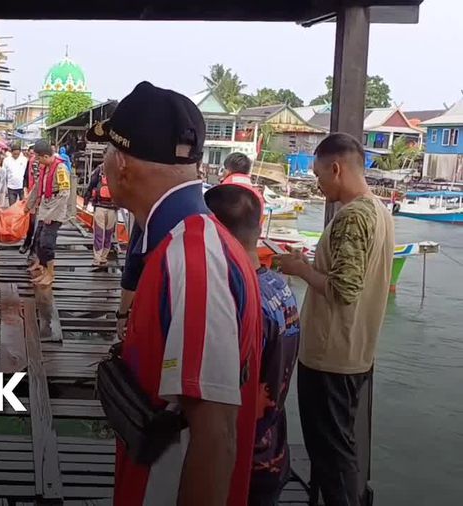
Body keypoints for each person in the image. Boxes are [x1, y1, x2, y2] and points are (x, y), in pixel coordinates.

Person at [88, 82, 262, 506]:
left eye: (107, 152)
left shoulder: (192, 257)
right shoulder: (182, 243)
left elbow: (215, 436)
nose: (104, 164)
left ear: (122, 163)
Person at [276, 133, 395, 506]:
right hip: (356, 352)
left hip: (331, 357)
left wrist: (299, 269)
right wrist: (312, 265)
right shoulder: (379, 211)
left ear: (337, 168)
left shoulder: (352, 217)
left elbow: (344, 289)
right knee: (340, 448)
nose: (318, 183)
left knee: (331, 457)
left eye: (318, 175)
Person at [206, 184, 301, 506]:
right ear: (258, 228)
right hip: (273, 450)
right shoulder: (279, 286)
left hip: (242, 459)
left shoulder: (237, 300)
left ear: (214, 232)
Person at [25, 140, 70, 286]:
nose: (37, 161)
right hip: (45, 206)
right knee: (39, 239)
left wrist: (51, 214)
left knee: (47, 243)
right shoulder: (46, 168)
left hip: (55, 209)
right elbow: (38, 187)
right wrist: (28, 205)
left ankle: (50, 274)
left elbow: (64, 194)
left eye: (38, 158)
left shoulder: (60, 168)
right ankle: (43, 270)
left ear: (45, 156)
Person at [83, 162, 118, 269]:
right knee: (101, 233)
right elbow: (91, 185)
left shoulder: (117, 170)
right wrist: (86, 201)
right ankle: (98, 258)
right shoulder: (100, 170)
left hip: (109, 207)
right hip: (102, 206)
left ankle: (102, 258)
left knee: (106, 233)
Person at [221, 151, 266, 216]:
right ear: (247, 171)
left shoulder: (221, 192)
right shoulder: (258, 196)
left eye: (223, 169)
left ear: (228, 171)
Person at [18, 147, 43, 255]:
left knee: (40, 225)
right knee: (31, 222)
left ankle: (34, 251)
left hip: (44, 198)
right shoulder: (31, 161)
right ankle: (27, 242)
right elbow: (26, 177)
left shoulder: (51, 165)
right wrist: (25, 190)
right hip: (32, 194)